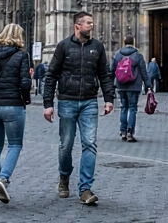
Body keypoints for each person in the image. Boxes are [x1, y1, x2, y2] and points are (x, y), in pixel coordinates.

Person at [43, 11, 115, 205]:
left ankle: (85, 189)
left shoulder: (97, 47)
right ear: (77, 26)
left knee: (90, 143)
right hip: (67, 101)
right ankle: (64, 176)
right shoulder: (63, 46)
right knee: (65, 145)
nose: (92, 26)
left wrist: (109, 99)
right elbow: (51, 76)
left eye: (92, 23)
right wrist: (48, 104)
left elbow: (104, 74)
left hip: (89, 101)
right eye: (88, 23)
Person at [0, 23, 32, 204]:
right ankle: (3, 179)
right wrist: (26, 98)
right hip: (13, 104)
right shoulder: (22, 55)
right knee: (15, 145)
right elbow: (25, 82)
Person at [113, 35, 147, 142]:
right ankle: (130, 133)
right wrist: (148, 85)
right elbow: (143, 71)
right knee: (132, 108)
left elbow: (112, 69)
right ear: (134, 42)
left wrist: (111, 85)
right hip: (134, 86)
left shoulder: (118, 54)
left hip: (121, 85)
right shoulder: (137, 55)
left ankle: (123, 131)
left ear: (124, 41)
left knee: (124, 108)